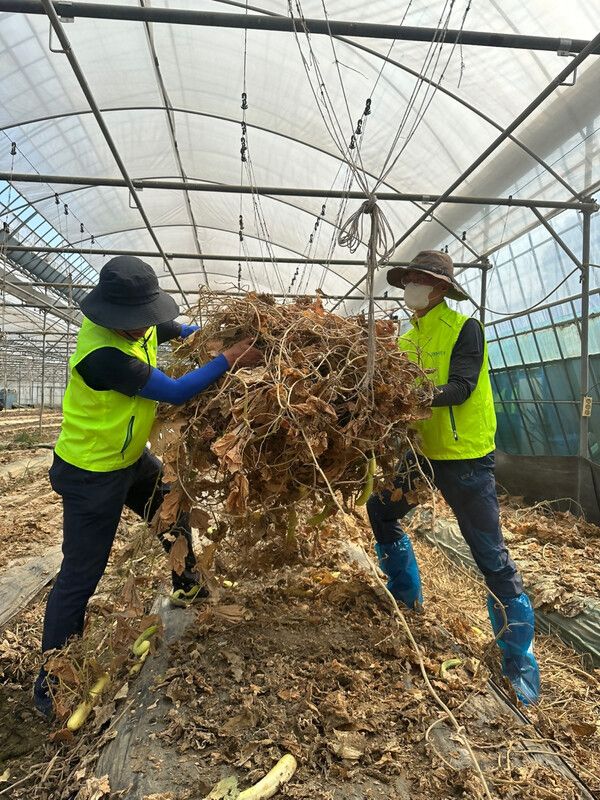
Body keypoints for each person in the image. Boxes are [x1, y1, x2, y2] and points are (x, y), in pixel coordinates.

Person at [34, 256, 262, 716]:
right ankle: (50, 679)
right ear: (114, 318)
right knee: (83, 571)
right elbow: (177, 391)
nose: (146, 328)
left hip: (129, 458)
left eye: (147, 319)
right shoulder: (104, 356)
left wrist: (210, 332)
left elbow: (177, 330)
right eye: (138, 322)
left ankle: (187, 584)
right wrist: (228, 359)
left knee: (170, 508)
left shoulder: (136, 330)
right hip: (91, 472)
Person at [367, 251, 540, 705]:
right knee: (380, 512)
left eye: (418, 282)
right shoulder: (409, 336)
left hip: (463, 456)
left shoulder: (466, 328)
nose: (410, 289)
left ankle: (517, 663)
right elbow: (392, 385)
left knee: (489, 555)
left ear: (439, 289)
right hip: (422, 451)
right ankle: (405, 599)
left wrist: (411, 395)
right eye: (407, 281)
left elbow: (461, 387)